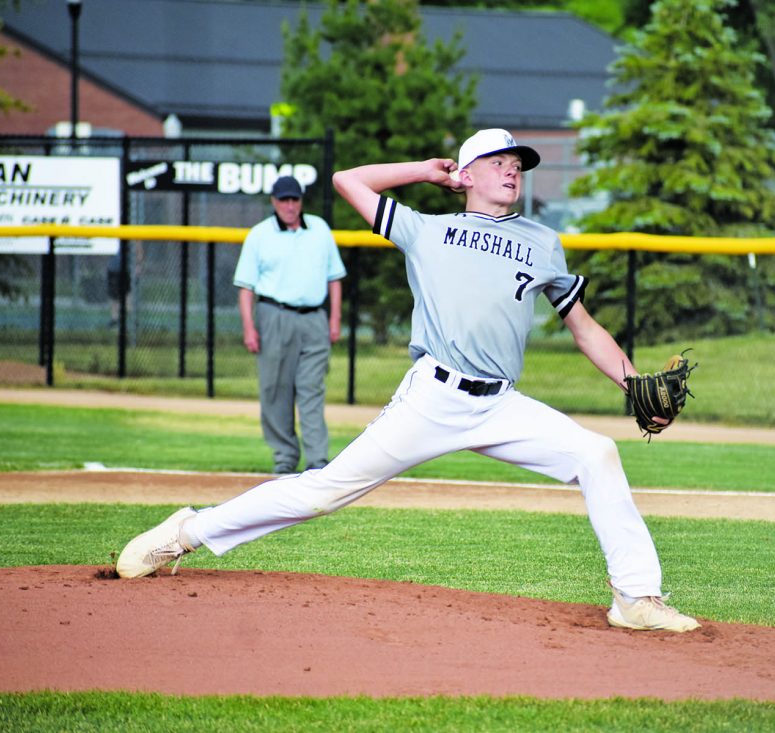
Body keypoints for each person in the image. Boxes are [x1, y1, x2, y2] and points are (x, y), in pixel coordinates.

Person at [115, 129, 701, 633]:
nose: (512, 171)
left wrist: (632, 382)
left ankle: (635, 597)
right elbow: (348, 180)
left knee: (596, 453)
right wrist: (424, 172)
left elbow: (585, 328)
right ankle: (187, 532)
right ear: (466, 174)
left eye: (517, 165)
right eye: (498, 162)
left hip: (500, 404)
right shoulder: (428, 229)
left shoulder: (543, 243)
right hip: (433, 397)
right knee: (324, 492)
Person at [234, 175, 347, 473]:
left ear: (301, 201)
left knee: (312, 389)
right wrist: (249, 327)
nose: (289, 205)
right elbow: (246, 287)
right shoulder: (260, 234)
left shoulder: (319, 229)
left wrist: (334, 318)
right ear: (273, 201)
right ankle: (284, 457)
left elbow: (334, 278)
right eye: (283, 199)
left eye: (294, 199)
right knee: (275, 389)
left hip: (314, 319)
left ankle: (317, 461)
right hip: (274, 315)